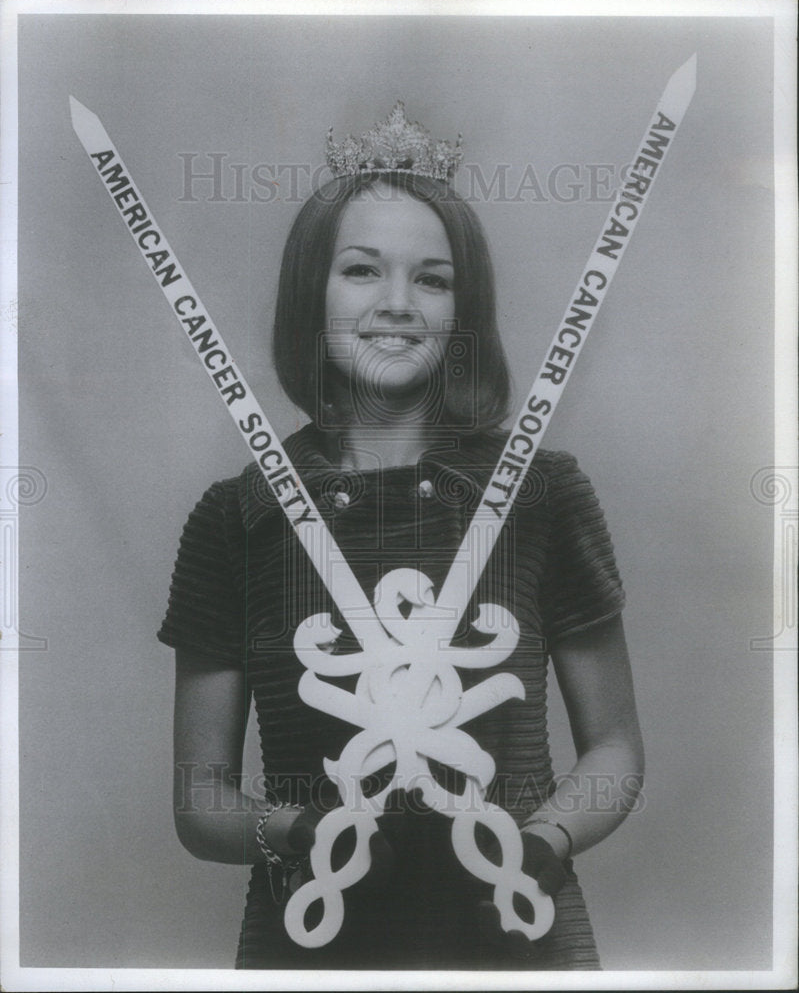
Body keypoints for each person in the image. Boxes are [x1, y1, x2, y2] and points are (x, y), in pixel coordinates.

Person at [158, 104, 644, 970]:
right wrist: (298, 833)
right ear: (314, 290)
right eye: (359, 271)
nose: (395, 305)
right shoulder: (236, 517)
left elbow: (614, 747)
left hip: (518, 939)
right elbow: (199, 800)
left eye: (432, 278)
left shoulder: (543, 493)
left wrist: (542, 843)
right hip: (308, 950)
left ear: (464, 307)